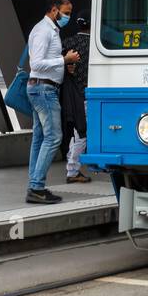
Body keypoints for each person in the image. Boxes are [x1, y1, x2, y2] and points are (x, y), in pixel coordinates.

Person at [25, 0, 80, 204]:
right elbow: (36, 64)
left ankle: (34, 185)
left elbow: (43, 63)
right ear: (54, 10)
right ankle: (37, 187)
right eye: (66, 13)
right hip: (44, 89)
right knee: (53, 137)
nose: (68, 17)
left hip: (42, 88)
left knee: (40, 138)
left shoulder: (50, 30)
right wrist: (64, 59)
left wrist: (63, 66)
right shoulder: (44, 31)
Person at [59, 14, 91, 184]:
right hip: (87, 96)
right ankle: (72, 170)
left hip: (70, 96)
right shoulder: (94, 46)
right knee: (83, 134)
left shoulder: (67, 43)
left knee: (77, 132)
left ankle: (71, 165)